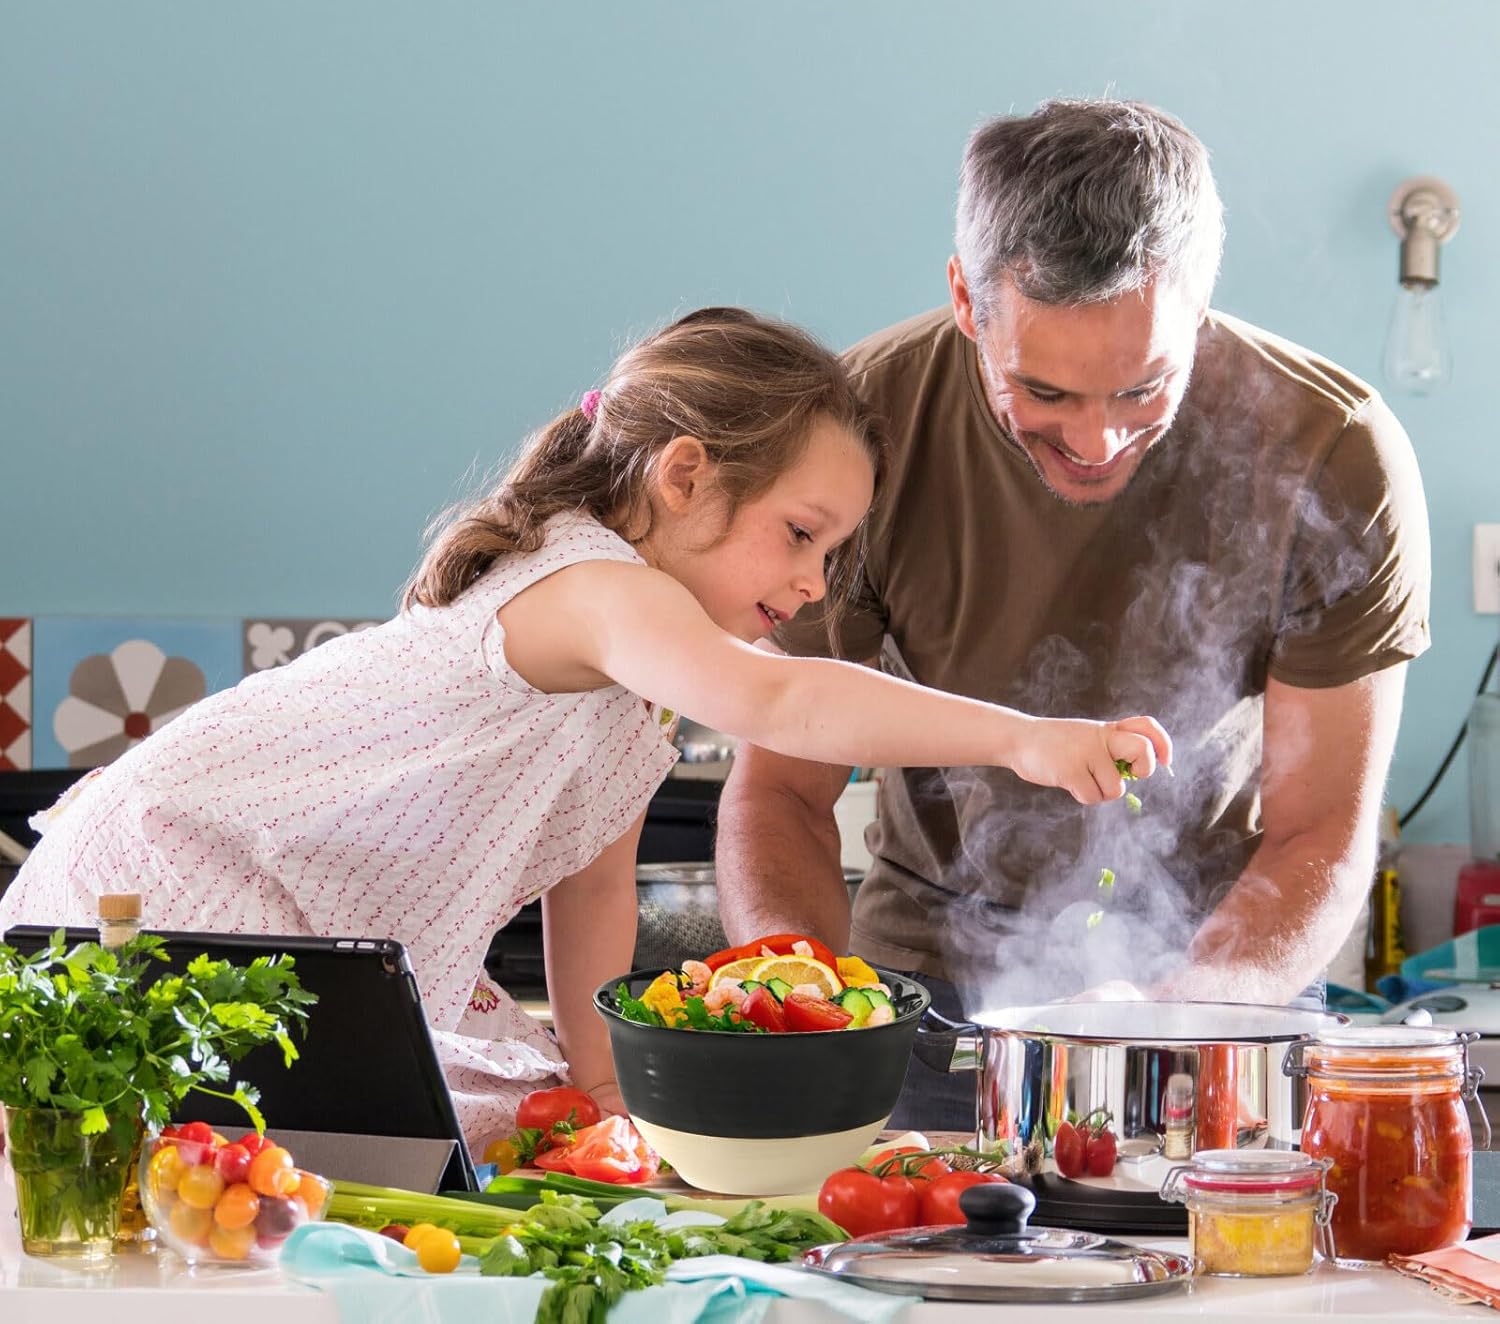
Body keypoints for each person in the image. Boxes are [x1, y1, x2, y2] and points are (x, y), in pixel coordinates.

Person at [0, 306, 1169, 1153]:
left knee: (528, 1118)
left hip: (295, 926)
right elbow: (783, 701)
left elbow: (592, 892)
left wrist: (604, 1079)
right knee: (277, 1165)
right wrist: (1025, 739)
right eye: (802, 534)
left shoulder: (628, 682)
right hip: (175, 877)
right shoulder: (596, 588)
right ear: (684, 475)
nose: (815, 583)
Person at [713, 100, 1432, 1130]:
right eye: (1042, 392)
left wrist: (1183, 1018)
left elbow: (1321, 831)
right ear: (967, 298)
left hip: (1219, 985)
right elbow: (780, 789)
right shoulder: (858, 433)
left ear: (1201, 304)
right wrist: (811, 1003)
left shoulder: (1335, 450)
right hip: (925, 996)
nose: (1096, 441)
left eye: (1146, 389)